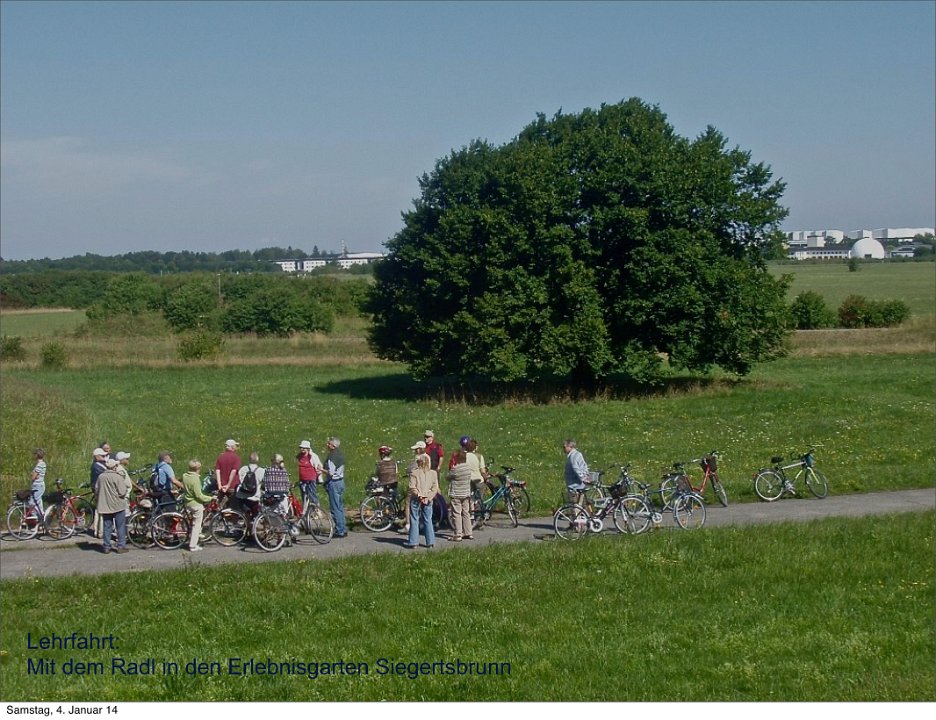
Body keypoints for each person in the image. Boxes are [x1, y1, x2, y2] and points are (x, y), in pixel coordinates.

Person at [96, 458, 131, 554]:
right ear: (114, 467)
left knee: (107, 526)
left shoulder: (101, 477)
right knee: (120, 526)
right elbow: (122, 492)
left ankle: (106, 546)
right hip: (117, 505)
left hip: (105, 505)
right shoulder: (117, 477)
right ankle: (121, 546)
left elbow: (97, 490)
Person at [405, 453, 439, 549]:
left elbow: (412, 487)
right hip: (428, 499)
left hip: (416, 498)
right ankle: (430, 542)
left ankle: (413, 542)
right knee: (428, 519)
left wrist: (420, 495)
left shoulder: (414, 473)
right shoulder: (433, 473)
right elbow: (435, 488)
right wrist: (428, 497)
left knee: (414, 519)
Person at [182, 459, 213, 552]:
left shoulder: (185, 476)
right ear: (198, 469)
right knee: (196, 525)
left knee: (194, 523)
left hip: (187, 502)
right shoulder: (195, 479)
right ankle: (193, 545)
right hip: (195, 504)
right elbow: (199, 495)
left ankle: (198, 535)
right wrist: (210, 498)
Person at [447, 450, 474, 542]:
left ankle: (458, 534)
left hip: (456, 494)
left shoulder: (455, 469)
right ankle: (468, 532)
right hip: (466, 493)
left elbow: (448, 477)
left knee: (457, 513)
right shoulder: (468, 468)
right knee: (466, 512)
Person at [324, 437, 348, 538]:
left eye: (329, 444)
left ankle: (339, 530)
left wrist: (321, 469)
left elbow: (331, 472)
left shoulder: (332, 457)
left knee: (335, 508)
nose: (327, 445)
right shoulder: (340, 454)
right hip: (341, 482)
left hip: (334, 483)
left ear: (333, 446)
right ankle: (343, 527)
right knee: (340, 507)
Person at [297, 440, 322, 507]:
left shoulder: (313, 456)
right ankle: (306, 510)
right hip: (302, 480)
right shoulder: (299, 456)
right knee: (304, 496)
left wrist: (318, 476)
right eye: (301, 448)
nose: (302, 449)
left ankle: (317, 509)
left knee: (312, 495)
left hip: (311, 479)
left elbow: (319, 466)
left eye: (304, 448)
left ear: (308, 449)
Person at [29, 448, 47, 517]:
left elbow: (33, 477)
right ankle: (42, 517)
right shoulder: (40, 464)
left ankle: (37, 517)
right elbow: (34, 475)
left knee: (31, 503)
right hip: (37, 485)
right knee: (38, 502)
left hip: (38, 486)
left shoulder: (40, 464)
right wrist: (34, 475)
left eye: (35, 454)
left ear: (37, 455)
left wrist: (34, 475)